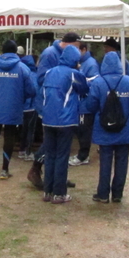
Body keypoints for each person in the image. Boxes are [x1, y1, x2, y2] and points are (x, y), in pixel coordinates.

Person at [84, 51, 129, 203]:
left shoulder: (98, 83)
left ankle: (103, 194)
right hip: (125, 129)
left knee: (105, 162)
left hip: (104, 130)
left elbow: (90, 106)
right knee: (122, 161)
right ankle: (117, 194)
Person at [26, 32, 82, 188]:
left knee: (60, 144)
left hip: (61, 103)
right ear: (69, 44)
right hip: (50, 103)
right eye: (76, 47)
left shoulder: (61, 55)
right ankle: (36, 169)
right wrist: (64, 76)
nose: (77, 52)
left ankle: (58, 178)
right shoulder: (50, 54)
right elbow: (41, 78)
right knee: (52, 142)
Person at [0, 40, 36, 180]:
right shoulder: (22, 68)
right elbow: (31, 90)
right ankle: (4, 170)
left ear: (2, 51)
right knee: (9, 137)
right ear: (16, 52)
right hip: (14, 108)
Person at [40, 44, 89, 203]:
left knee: (50, 156)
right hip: (65, 121)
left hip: (47, 120)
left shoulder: (49, 72)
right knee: (62, 157)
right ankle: (59, 193)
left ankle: (47, 191)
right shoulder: (73, 74)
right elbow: (84, 89)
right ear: (75, 60)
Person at [69, 41, 100, 166]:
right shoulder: (81, 63)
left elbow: (93, 82)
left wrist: (80, 87)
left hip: (86, 103)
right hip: (80, 102)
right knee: (80, 130)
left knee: (84, 131)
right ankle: (82, 154)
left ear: (84, 49)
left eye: (78, 49)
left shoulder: (91, 63)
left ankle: (83, 156)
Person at [18, 53, 39, 160]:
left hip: (21, 107)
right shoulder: (35, 75)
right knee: (30, 130)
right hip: (31, 107)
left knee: (22, 130)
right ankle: (28, 152)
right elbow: (35, 90)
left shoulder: (21, 73)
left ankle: (21, 150)